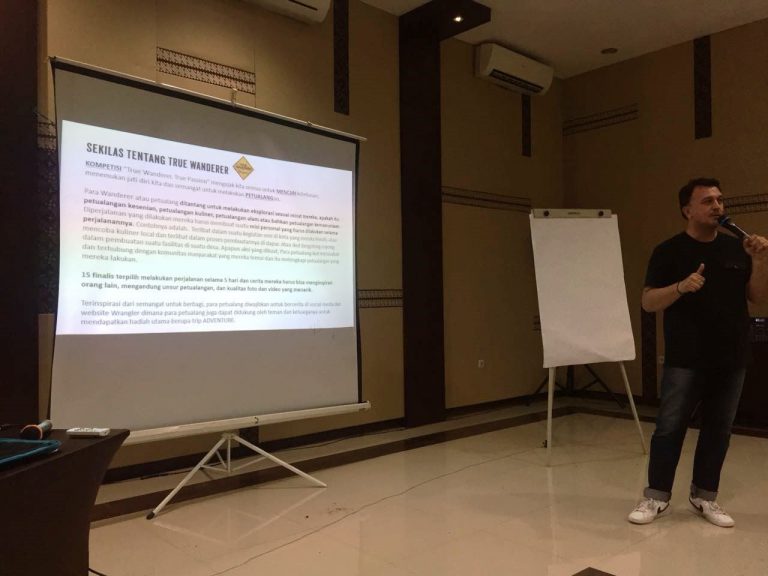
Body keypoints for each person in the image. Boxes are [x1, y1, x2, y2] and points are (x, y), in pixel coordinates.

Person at [628, 177, 768, 527]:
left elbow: (756, 296)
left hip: (732, 355)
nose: (717, 206)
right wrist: (681, 286)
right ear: (687, 210)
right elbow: (648, 302)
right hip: (686, 358)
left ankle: (704, 495)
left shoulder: (736, 248)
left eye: (720, 200)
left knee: (719, 429)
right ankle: (656, 496)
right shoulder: (668, 251)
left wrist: (759, 261)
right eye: (707, 201)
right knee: (669, 427)